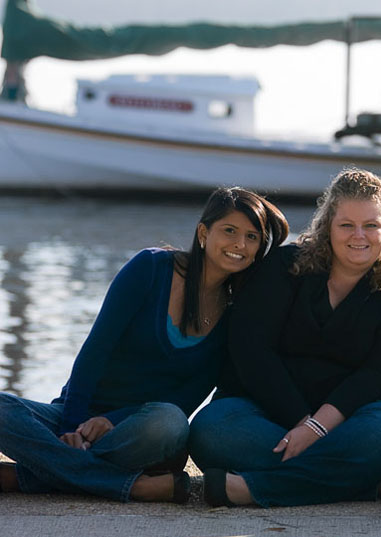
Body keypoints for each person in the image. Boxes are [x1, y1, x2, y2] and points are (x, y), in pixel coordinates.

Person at [0, 187, 289, 502]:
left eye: (252, 237)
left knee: (170, 423)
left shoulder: (235, 316)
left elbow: (187, 398)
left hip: (139, 431)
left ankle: (36, 475)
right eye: (230, 231)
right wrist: (71, 426)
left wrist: (113, 421)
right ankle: (130, 485)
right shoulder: (150, 268)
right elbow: (95, 352)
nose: (239, 244)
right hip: (75, 415)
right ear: (204, 232)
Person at [189, 168, 381, 507]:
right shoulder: (285, 265)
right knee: (211, 429)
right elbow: (251, 350)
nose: (359, 235)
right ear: (328, 225)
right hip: (261, 414)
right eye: (346, 225)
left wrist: (318, 428)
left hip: (346, 423)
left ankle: (253, 489)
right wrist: (302, 424)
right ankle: (367, 484)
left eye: (371, 225)